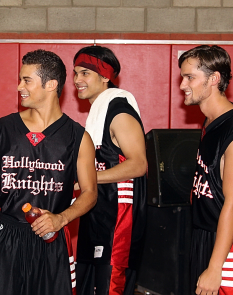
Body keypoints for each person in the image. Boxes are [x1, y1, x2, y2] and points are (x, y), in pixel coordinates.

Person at [0, 49, 97, 295]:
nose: (19, 86)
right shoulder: (2, 129)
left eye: (27, 80)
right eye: (20, 79)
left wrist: (61, 218)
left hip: (51, 235)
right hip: (6, 236)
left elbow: (90, 193)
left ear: (51, 84)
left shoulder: (78, 137)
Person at [179, 45, 233, 294]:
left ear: (214, 79)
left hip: (231, 239)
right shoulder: (212, 121)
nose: (183, 84)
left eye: (190, 77)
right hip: (208, 232)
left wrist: (216, 267)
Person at [73, 46, 147, 295]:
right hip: (95, 212)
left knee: (110, 287)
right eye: (75, 74)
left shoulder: (119, 112)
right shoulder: (97, 112)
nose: (77, 80)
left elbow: (138, 164)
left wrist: (87, 180)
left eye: (85, 73)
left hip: (118, 218)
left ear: (105, 76)